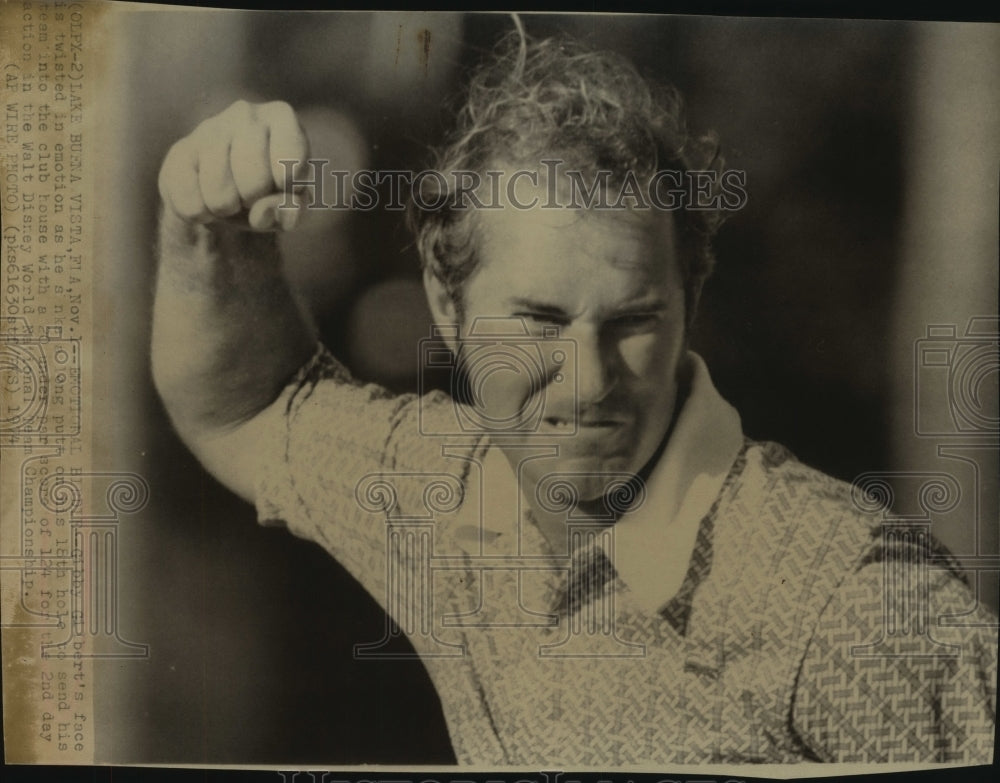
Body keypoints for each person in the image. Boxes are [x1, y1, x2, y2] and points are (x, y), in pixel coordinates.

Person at [152, 30, 997, 766]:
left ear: (688, 307)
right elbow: (250, 408)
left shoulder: (850, 602)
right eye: (539, 321)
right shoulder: (440, 492)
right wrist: (205, 227)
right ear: (449, 308)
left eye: (632, 321)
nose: (589, 382)